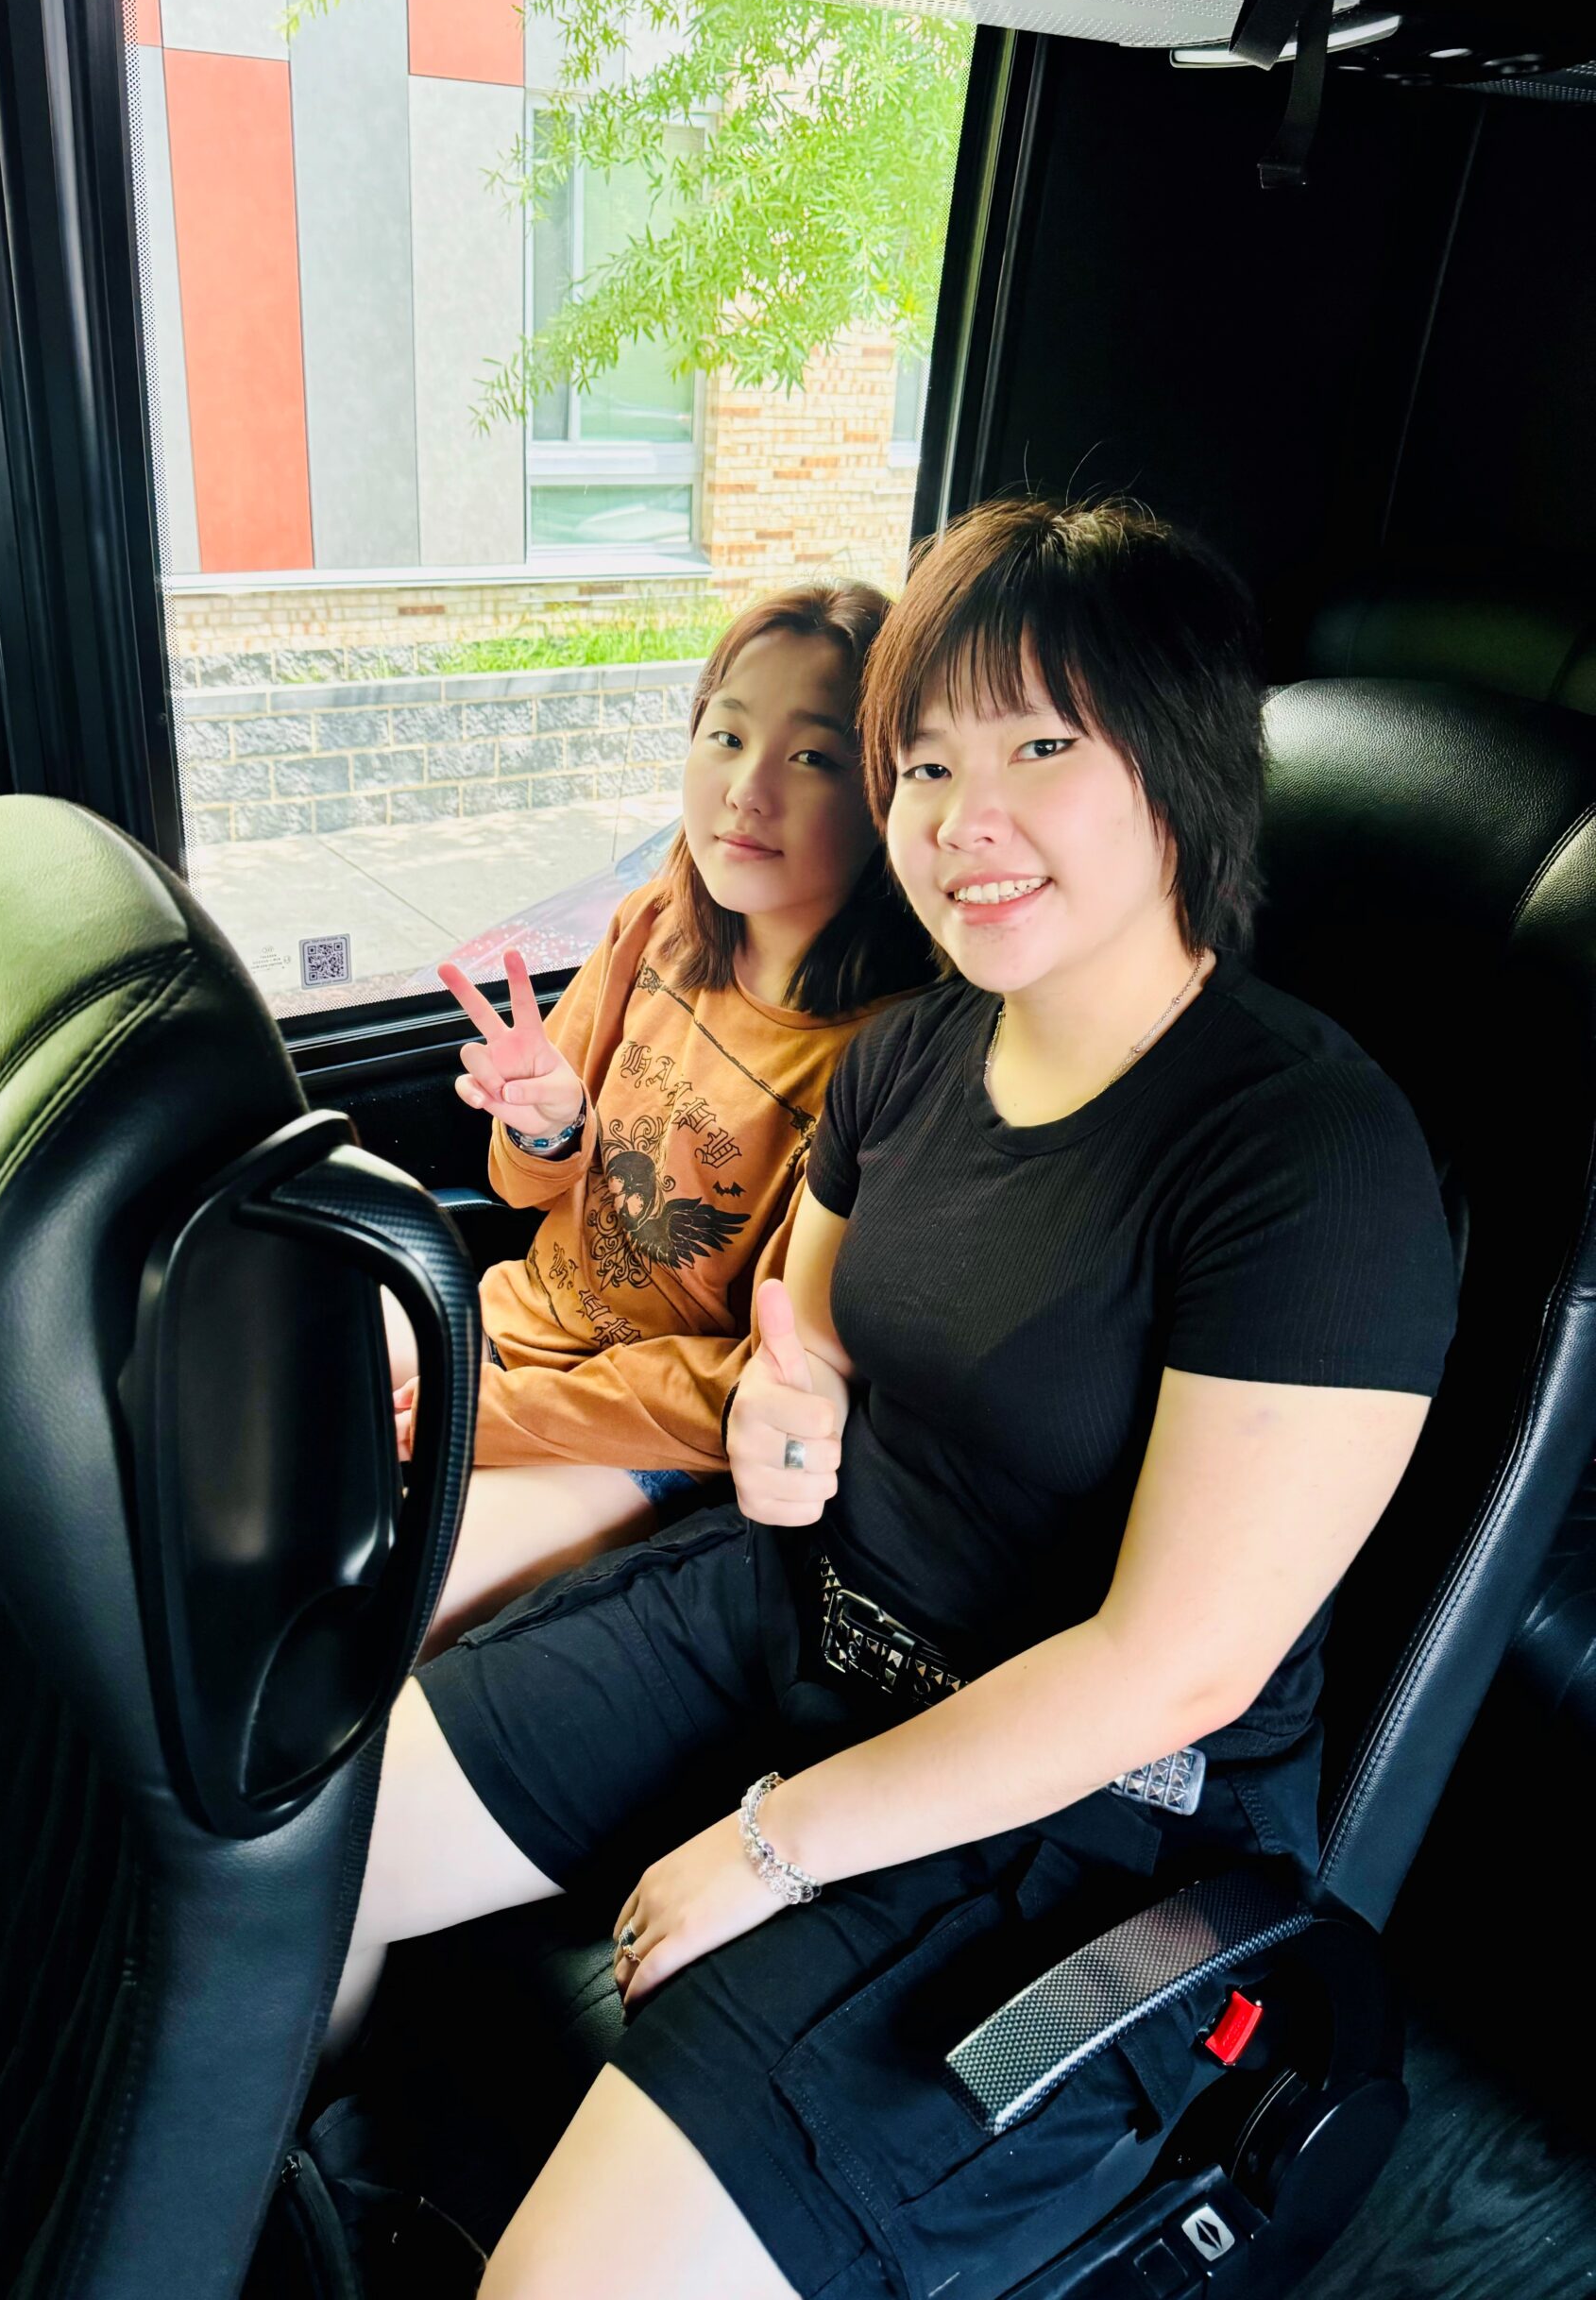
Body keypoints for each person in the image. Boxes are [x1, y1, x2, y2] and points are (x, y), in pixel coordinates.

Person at [336, 497, 1458, 2300]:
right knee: (283, 1844)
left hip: (1083, 1818)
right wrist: (787, 1435)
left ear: (1176, 771)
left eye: (1037, 745)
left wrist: (774, 1848)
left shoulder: (1309, 1162)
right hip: (802, 1615)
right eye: (923, 763)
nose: (963, 818)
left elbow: (1171, 1669)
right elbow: (817, 1361)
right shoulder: (915, 1056)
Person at [403, 586, 934, 1643]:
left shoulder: (880, 1060)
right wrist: (547, 1125)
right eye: (727, 734)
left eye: (813, 757)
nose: (746, 789)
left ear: (887, 797)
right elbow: (526, 1190)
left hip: (653, 1437)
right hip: (518, 1325)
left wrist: (487, 1421)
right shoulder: (660, 925)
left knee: (383, 1609)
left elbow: (759, 1378)